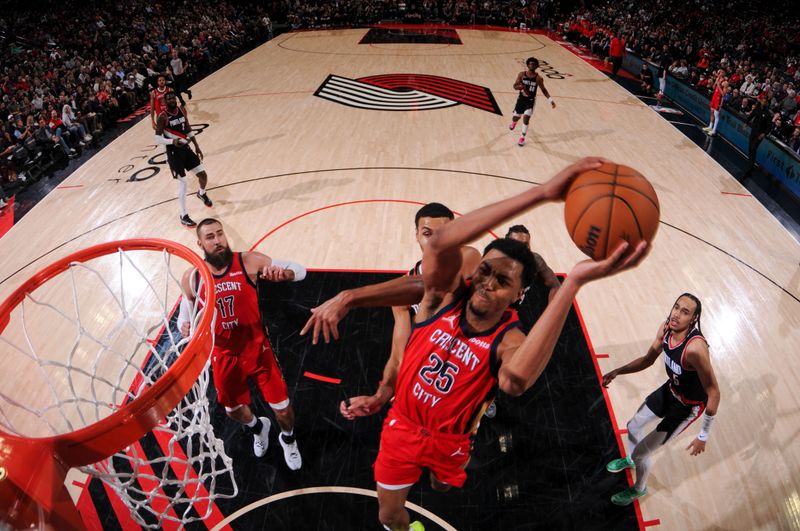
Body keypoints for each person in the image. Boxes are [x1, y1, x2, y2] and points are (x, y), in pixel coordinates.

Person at [302, 158, 648, 531]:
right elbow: (439, 244)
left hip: (451, 439)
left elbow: (515, 380)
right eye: (485, 270)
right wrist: (543, 192)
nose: (487, 282)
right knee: (388, 514)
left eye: (502, 280)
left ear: (518, 294)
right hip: (402, 424)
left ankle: (439, 472)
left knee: (441, 485)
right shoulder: (441, 299)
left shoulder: (509, 339)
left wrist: (575, 282)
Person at [179, 218, 305, 470]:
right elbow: (187, 308)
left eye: (220, 234)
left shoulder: (248, 261)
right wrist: (184, 323)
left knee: (282, 409)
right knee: (233, 410)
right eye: (210, 238)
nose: (218, 241)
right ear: (200, 243)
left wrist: (286, 274)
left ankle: (288, 439)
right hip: (224, 355)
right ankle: (260, 428)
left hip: (258, 348)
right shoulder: (193, 277)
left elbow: (300, 270)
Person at [338, 202, 481, 422]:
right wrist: (381, 395)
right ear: (416, 235)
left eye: (444, 234)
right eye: (427, 233)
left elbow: (436, 285)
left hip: (470, 365)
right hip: (435, 372)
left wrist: (351, 297)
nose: (435, 242)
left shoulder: (469, 256)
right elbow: (398, 356)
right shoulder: (402, 292)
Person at [602, 293, 720, 506]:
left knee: (641, 454)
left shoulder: (695, 349)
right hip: (671, 390)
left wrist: (703, 434)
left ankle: (639, 489)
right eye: (676, 307)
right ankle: (632, 459)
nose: (676, 314)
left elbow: (714, 392)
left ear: (693, 319)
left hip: (687, 407)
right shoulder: (666, 328)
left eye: (685, 312)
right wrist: (618, 371)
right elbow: (647, 359)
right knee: (633, 425)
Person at [153, 91, 212, 226]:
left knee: (203, 175)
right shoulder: (162, 117)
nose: (172, 100)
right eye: (169, 99)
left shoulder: (181, 110)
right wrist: (172, 142)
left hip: (186, 149)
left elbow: (189, 128)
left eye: (173, 97)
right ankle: (183, 215)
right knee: (183, 182)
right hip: (174, 153)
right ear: (164, 102)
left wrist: (197, 146)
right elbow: (157, 138)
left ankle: (202, 193)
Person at [509, 57, 556, 147]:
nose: (532, 65)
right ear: (527, 65)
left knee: (526, 117)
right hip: (521, 99)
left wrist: (550, 100)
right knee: (516, 117)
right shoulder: (521, 74)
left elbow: (544, 90)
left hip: (530, 100)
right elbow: (514, 86)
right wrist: (520, 87)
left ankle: (522, 137)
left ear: (537, 66)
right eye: (530, 64)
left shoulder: (538, 78)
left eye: (534, 64)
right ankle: (514, 123)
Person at [743, 95, 773, 177]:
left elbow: (770, 126)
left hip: (760, 134)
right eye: (762, 100)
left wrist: (764, 134)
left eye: (765, 101)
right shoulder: (757, 108)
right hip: (753, 131)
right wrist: (746, 123)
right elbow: (751, 115)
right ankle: (750, 163)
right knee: (750, 148)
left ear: (766, 102)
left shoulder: (767, 113)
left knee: (753, 148)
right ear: (761, 100)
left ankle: (750, 167)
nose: (763, 102)